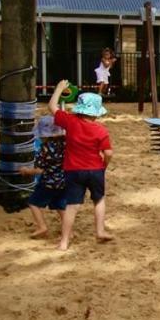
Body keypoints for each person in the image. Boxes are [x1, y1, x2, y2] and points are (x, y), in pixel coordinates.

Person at [48, 80, 113, 250]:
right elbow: (108, 153)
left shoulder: (71, 122)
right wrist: (104, 165)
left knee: (72, 205)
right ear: (96, 113)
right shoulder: (101, 131)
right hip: (95, 169)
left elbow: (52, 107)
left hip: (73, 169)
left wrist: (58, 89)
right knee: (99, 200)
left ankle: (64, 242)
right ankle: (100, 231)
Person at [18, 115, 67, 239]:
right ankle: (68, 230)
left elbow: (39, 170)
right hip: (63, 181)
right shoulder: (65, 145)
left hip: (48, 183)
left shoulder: (44, 149)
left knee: (33, 203)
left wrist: (27, 171)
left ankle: (42, 226)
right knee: (60, 206)